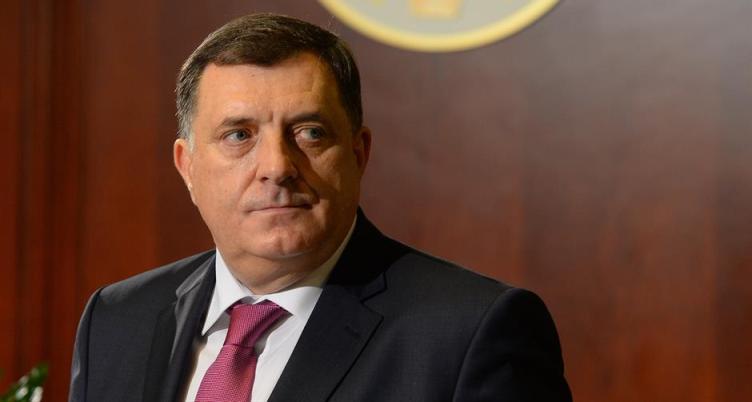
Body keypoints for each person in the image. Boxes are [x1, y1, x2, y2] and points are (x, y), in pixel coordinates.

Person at [69, 13, 572, 402]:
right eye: (239, 135)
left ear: (358, 154)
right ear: (188, 167)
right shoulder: (116, 321)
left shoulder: (470, 332)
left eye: (309, 132)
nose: (276, 167)